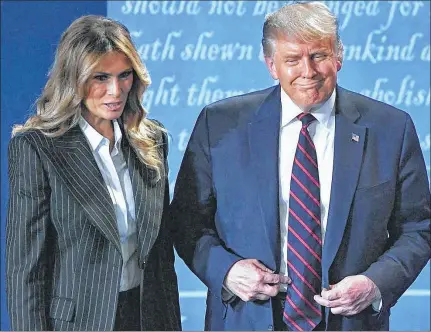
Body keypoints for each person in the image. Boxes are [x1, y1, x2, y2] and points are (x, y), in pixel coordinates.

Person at [170, 2, 431, 331]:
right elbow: (186, 224)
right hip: (246, 318)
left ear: (339, 56)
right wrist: (228, 271)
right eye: (292, 60)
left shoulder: (391, 128)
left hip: (350, 321)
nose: (308, 71)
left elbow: (418, 229)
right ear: (271, 65)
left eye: (319, 56)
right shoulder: (219, 125)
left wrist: (374, 284)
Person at [6, 15, 181, 331]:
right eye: (100, 78)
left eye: (124, 75)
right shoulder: (37, 148)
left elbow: (161, 259)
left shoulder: (153, 140)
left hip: (148, 320)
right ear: (73, 79)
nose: (115, 91)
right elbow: (26, 271)